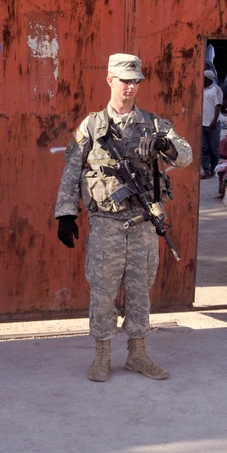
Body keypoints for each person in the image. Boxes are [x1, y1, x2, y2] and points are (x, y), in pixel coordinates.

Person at [54, 53, 192, 382]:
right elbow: (71, 170)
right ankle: (102, 356)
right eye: (124, 81)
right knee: (103, 291)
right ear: (110, 80)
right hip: (107, 224)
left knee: (140, 291)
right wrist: (66, 213)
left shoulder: (155, 125)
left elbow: (185, 156)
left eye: (135, 81)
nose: (130, 87)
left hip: (143, 225)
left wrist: (164, 144)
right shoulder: (92, 126)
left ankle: (138, 355)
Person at [201, 69, 223, 179]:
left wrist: (214, 121)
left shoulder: (216, 89)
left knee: (213, 149)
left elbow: (218, 106)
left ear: (208, 79)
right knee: (204, 148)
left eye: (203, 79)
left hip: (212, 124)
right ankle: (206, 170)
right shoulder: (202, 90)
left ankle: (214, 168)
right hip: (202, 124)